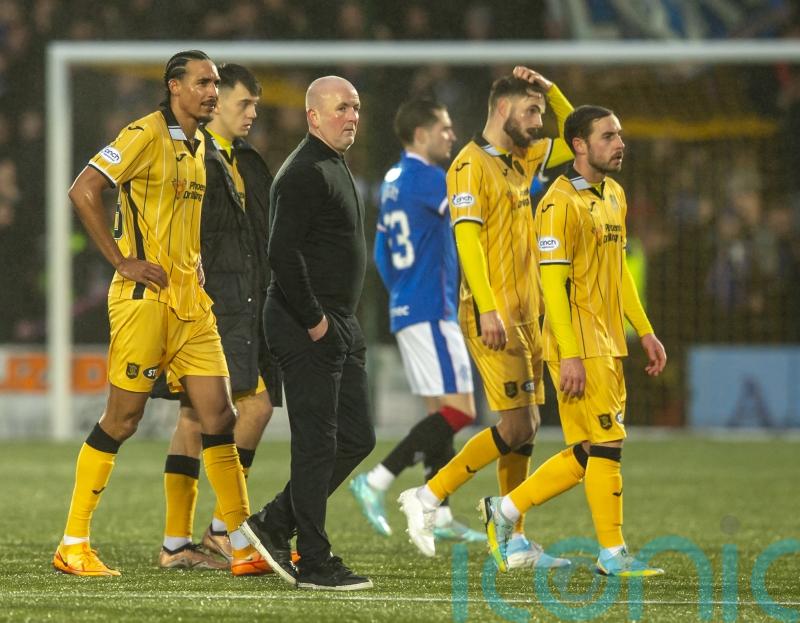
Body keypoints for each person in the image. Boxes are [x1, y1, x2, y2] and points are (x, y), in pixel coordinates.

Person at [53, 50, 268, 578]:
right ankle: (73, 542)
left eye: (215, 82)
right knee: (123, 420)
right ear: (174, 86)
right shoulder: (144, 132)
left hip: (192, 307)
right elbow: (83, 190)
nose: (212, 91)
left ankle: (239, 542)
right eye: (202, 82)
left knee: (221, 416)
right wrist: (124, 260)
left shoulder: (197, 147)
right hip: (143, 303)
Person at [479, 105, 668, 577]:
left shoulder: (615, 196)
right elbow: (553, 288)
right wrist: (570, 355)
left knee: (591, 448)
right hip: (579, 344)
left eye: (620, 135)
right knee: (607, 445)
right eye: (607, 136)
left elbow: (619, 272)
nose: (619, 143)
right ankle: (612, 552)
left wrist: (643, 330)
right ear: (579, 146)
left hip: (608, 341)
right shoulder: (557, 204)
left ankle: (503, 513)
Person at [396, 66, 574, 567]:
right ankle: (428, 496)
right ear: (502, 109)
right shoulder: (469, 166)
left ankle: (512, 538)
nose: (540, 121)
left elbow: (574, 134)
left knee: (529, 427)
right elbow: (467, 240)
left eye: (540, 112)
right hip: (490, 314)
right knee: (516, 425)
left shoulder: (525, 157)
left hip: (528, 314)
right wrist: (490, 305)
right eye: (531, 110)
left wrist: (549, 88)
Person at [241, 75, 376, 591]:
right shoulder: (301, 172)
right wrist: (317, 320)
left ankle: (274, 522)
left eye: (357, 108)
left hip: (340, 322)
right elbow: (282, 253)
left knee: (356, 438)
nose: (352, 117)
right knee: (317, 444)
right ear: (313, 116)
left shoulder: (335, 165)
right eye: (342, 108)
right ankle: (314, 561)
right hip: (307, 325)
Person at [154, 63, 283, 570]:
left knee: (231, 410)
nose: (252, 113)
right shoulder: (191, 156)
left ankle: (199, 536)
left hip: (249, 300)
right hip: (209, 305)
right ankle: (204, 534)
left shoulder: (247, 160)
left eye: (254, 105)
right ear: (217, 103)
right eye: (244, 103)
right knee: (217, 412)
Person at [348, 98, 484, 543]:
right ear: (421, 135)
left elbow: (382, 252)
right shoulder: (430, 179)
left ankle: (440, 515)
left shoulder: (392, 181)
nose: (451, 134)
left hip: (409, 305)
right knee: (461, 411)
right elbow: (475, 214)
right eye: (444, 127)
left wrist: (402, 292)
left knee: (437, 413)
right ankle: (379, 479)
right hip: (432, 308)